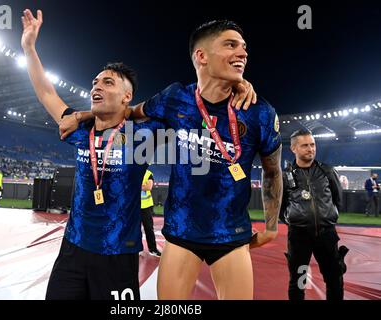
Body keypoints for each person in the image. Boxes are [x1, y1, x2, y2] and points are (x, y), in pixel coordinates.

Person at [60, 20, 283, 300]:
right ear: (201, 56)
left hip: (231, 235)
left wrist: (272, 226)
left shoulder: (259, 112)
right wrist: (82, 115)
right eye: (231, 45)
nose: (243, 53)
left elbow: (273, 171)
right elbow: (126, 112)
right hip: (180, 232)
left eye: (244, 47)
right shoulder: (175, 97)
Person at [280, 129, 349, 300]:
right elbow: (279, 207)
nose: (310, 149)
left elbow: (338, 198)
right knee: (299, 281)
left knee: (334, 278)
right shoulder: (285, 176)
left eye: (312, 144)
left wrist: (329, 217)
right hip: (299, 237)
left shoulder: (327, 171)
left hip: (327, 235)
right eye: (305, 145)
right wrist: (292, 219)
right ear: (294, 148)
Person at [140, 169, 161, 257]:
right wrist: (142, 185)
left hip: (146, 206)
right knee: (134, 230)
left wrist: (134, 185)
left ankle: (153, 249)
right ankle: (136, 249)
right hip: (133, 206)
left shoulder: (148, 173)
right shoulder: (131, 171)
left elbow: (148, 187)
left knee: (149, 228)